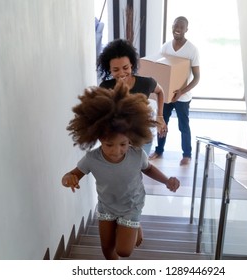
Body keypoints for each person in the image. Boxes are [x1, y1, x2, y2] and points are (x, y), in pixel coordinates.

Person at [61, 82, 180, 260]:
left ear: (131, 138)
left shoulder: (136, 154)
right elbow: (71, 175)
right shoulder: (92, 159)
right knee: (108, 250)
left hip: (131, 205)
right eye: (109, 145)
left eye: (123, 144)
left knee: (124, 251)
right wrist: (68, 179)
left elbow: (148, 169)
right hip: (106, 206)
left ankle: (135, 224)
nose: (117, 151)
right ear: (100, 138)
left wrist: (166, 181)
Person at [97, 38, 167, 155]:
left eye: (125, 68)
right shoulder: (105, 87)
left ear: (132, 65)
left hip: (142, 140)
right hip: (117, 141)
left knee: (139, 170)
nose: (121, 73)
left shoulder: (146, 83)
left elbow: (160, 92)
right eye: (115, 69)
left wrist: (160, 116)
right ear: (109, 69)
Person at [149, 16, 201, 166]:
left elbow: (197, 78)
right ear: (172, 27)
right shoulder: (165, 47)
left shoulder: (192, 50)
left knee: (183, 126)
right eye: (175, 26)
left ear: (186, 29)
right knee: (162, 122)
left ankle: (187, 154)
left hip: (183, 97)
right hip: (166, 95)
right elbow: (160, 71)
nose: (177, 29)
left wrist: (181, 92)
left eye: (181, 27)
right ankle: (159, 150)